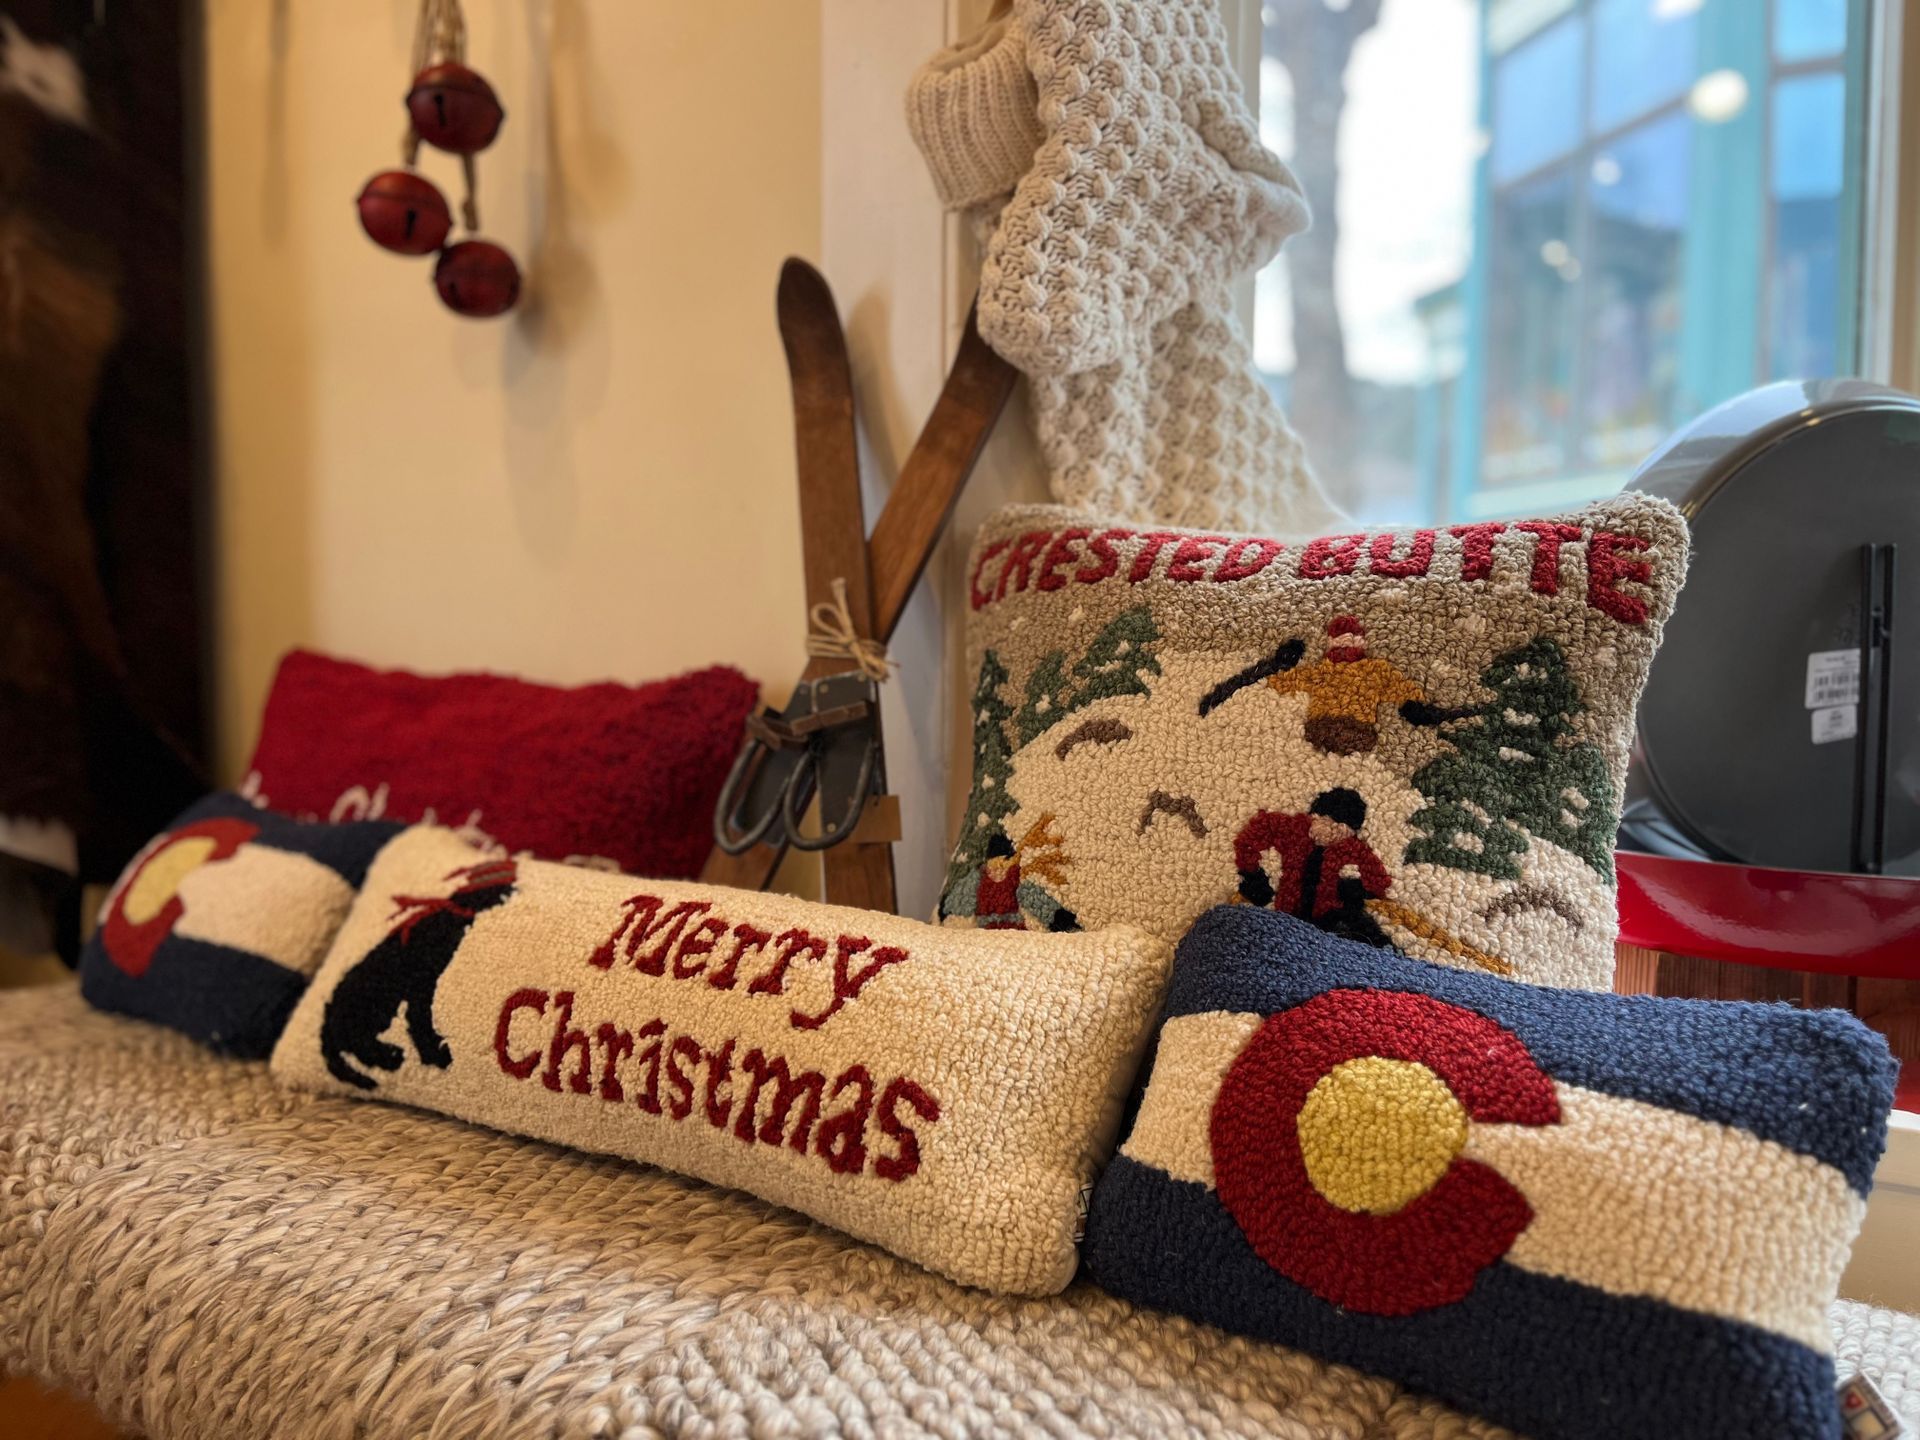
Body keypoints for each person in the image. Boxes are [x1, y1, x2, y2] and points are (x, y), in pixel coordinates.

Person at [1234, 787, 1392, 947]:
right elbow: (1253, 836)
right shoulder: (1295, 830)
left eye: (1342, 829)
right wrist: (1252, 874)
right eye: (1329, 823)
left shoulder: (1350, 847)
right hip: (1289, 914)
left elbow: (1378, 879)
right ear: (1315, 816)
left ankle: (1382, 947)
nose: (1334, 833)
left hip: (1328, 917)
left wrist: (1354, 890)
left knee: (1354, 920)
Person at [1266, 616, 1428, 756]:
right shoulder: (1329, 671)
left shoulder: (1370, 671)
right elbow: (1402, 689)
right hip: (1337, 731)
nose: (1344, 648)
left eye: (1348, 642)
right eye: (1340, 643)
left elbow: (1281, 681)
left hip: (1337, 731)